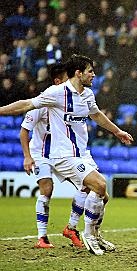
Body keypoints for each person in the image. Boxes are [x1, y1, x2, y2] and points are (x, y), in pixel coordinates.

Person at [0, 54, 134, 255]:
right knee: (99, 184)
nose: (93, 75)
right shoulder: (56, 92)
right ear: (78, 73)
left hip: (82, 154)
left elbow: (96, 115)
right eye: (90, 71)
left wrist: (117, 131)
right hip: (63, 156)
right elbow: (26, 104)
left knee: (103, 196)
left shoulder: (87, 95)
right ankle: (86, 235)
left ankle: (94, 234)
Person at [19, 62, 87, 249]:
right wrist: (27, 156)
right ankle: (42, 237)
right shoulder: (42, 102)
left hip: (63, 153)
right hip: (42, 154)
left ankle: (71, 227)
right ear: (58, 81)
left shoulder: (70, 100)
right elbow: (24, 130)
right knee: (47, 189)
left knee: (86, 186)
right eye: (68, 78)